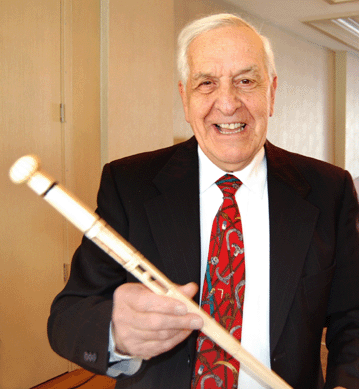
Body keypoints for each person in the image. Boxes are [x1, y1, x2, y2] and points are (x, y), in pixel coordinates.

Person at [47, 13, 359, 389]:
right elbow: (68, 316)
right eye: (206, 83)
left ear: (271, 92)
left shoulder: (330, 190)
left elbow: (353, 317)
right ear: (184, 96)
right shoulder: (129, 184)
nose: (227, 104)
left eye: (246, 81)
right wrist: (115, 331)